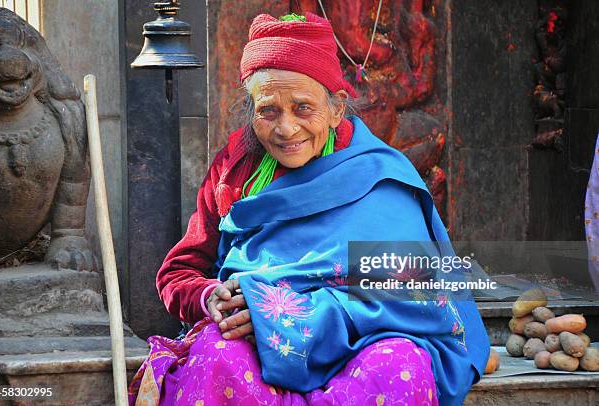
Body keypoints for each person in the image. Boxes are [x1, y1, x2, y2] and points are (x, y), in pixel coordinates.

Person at [128, 12, 489, 406]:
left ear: (336, 109)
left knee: (400, 366)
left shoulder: (380, 178)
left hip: (363, 340)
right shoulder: (234, 173)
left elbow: (409, 293)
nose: (285, 128)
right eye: (268, 110)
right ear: (251, 111)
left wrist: (292, 317)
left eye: (303, 108)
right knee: (217, 353)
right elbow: (179, 273)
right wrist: (211, 295)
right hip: (254, 344)